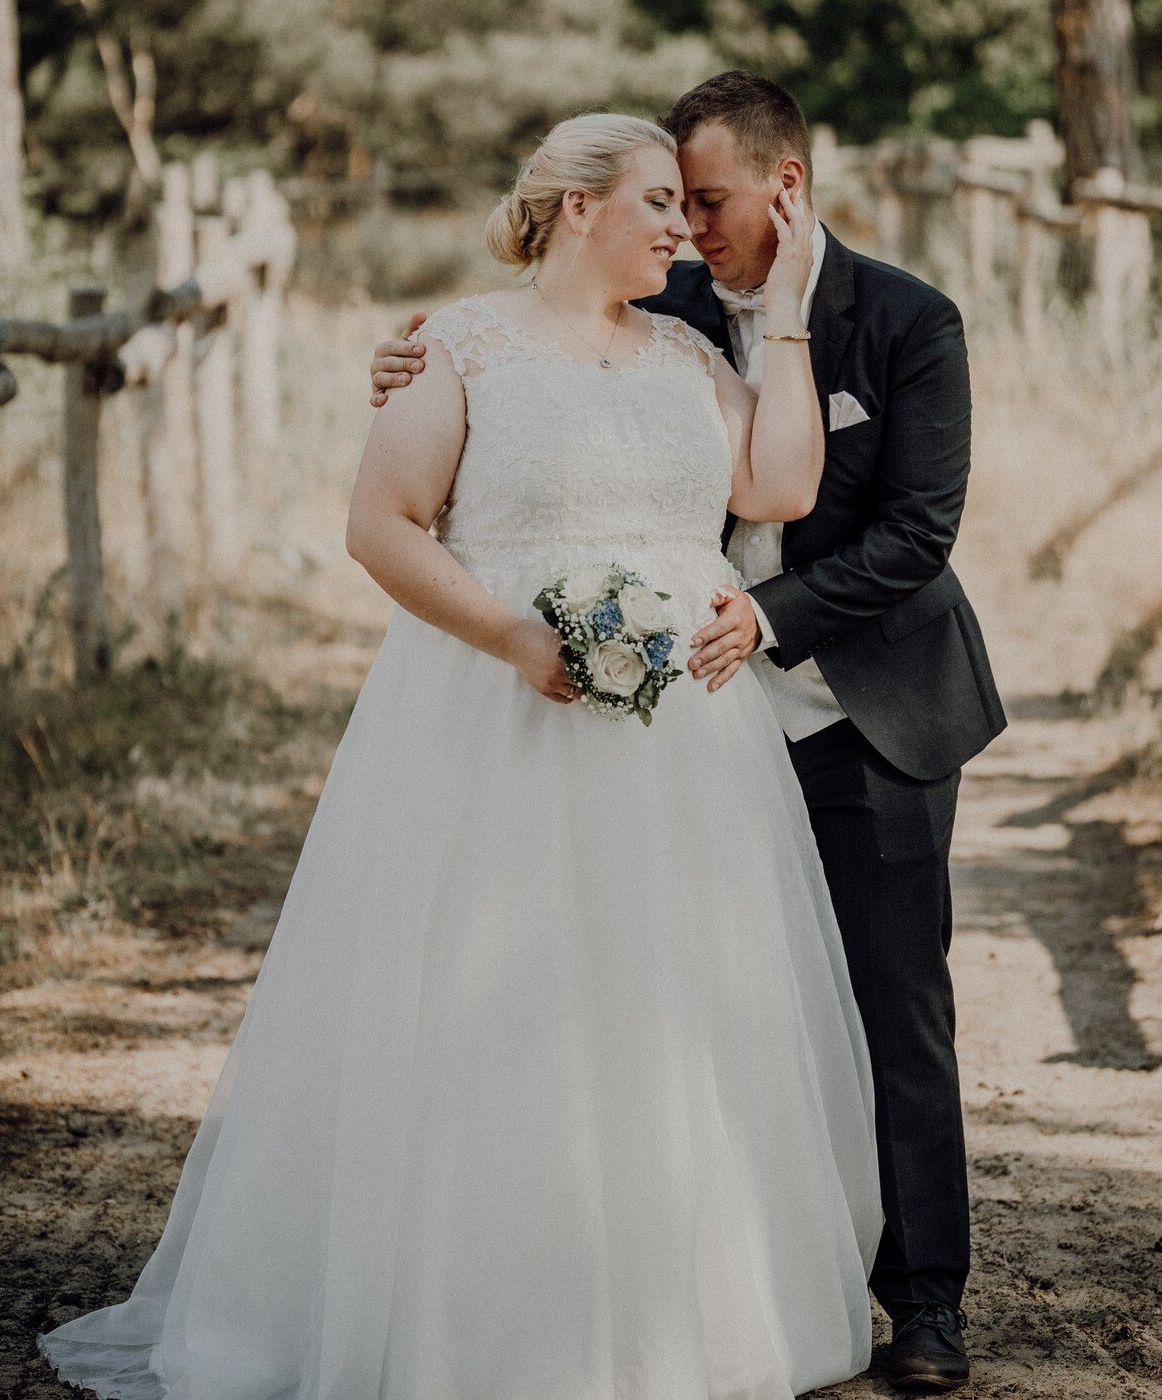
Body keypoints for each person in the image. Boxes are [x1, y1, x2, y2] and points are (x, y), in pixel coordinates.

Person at [37, 112, 884, 1400]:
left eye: (682, 202)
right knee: (502, 1016)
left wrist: (787, 321)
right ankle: (480, 1320)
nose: (680, 225)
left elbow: (775, 488)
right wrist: (512, 635)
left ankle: (681, 1312)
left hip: (683, 753)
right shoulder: (457, 346)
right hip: (497, 716)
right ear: (573, 205)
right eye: (655, 201)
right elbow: (380, 526)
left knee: (669, 1006)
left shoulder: (686, 350)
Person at [370, 73, 1008, 1394]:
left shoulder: (907, 320)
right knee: (704, 1010)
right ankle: (722, 1269)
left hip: (858, 710)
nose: (689, 227)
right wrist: (405, 357)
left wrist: (762, 616)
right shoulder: (650, 290)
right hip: (680, 731)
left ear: (784, 187)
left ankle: (927, 1301)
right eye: (674, 201)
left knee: (893, 1004)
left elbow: (914, 535)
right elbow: (532, 359)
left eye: (708, 200)